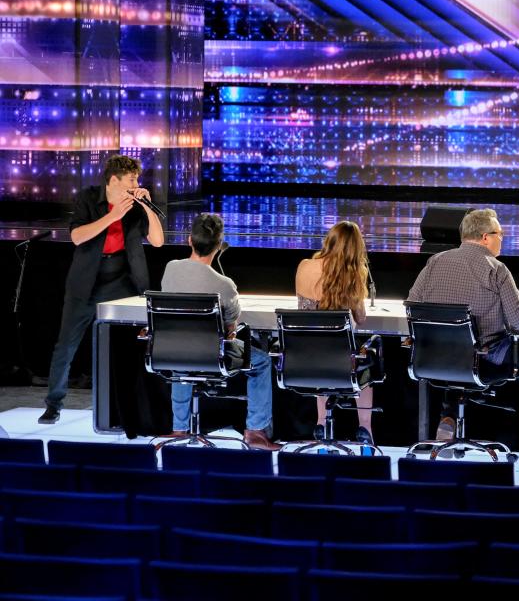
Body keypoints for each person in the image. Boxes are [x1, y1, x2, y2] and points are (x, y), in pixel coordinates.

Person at [407, 208, 519, 460]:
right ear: (485, 237)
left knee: (457, 354)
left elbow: (412, 306)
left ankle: (449, 417)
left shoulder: (435, 262)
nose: (502, 238)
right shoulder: (496, 269)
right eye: (500, 234)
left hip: (433, 359)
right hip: (482, 361)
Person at [39, 155, 164, 424]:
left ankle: (127, 405)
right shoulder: (88, 198)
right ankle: (54, 403)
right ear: (114, 180)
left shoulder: (136, 206)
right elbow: (77, 237)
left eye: (137, 179)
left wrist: (148, 207)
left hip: (121, 281)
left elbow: (157, 241)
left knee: (126, 347)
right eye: (131, 179)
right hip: (86, 282)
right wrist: (112, 215)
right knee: (66, 345)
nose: (136, 183)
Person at [160, 213, 280, 451]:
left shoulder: (170, 269)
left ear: (189, 240)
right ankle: (255, 430)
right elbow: (230, 328)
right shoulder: (224, 285)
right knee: (263, 362)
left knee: (182, 352)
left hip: (171, 351)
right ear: (218, 247)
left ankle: (179, 427)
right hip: (211, 355)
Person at [295, 221, 376, 445]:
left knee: (322, 351)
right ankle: (365, 429)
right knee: (366, 358)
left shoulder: (304, 266)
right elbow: (360, 319)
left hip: (304, 356)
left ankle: (321, 423)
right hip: (342, 360)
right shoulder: (352, 275)